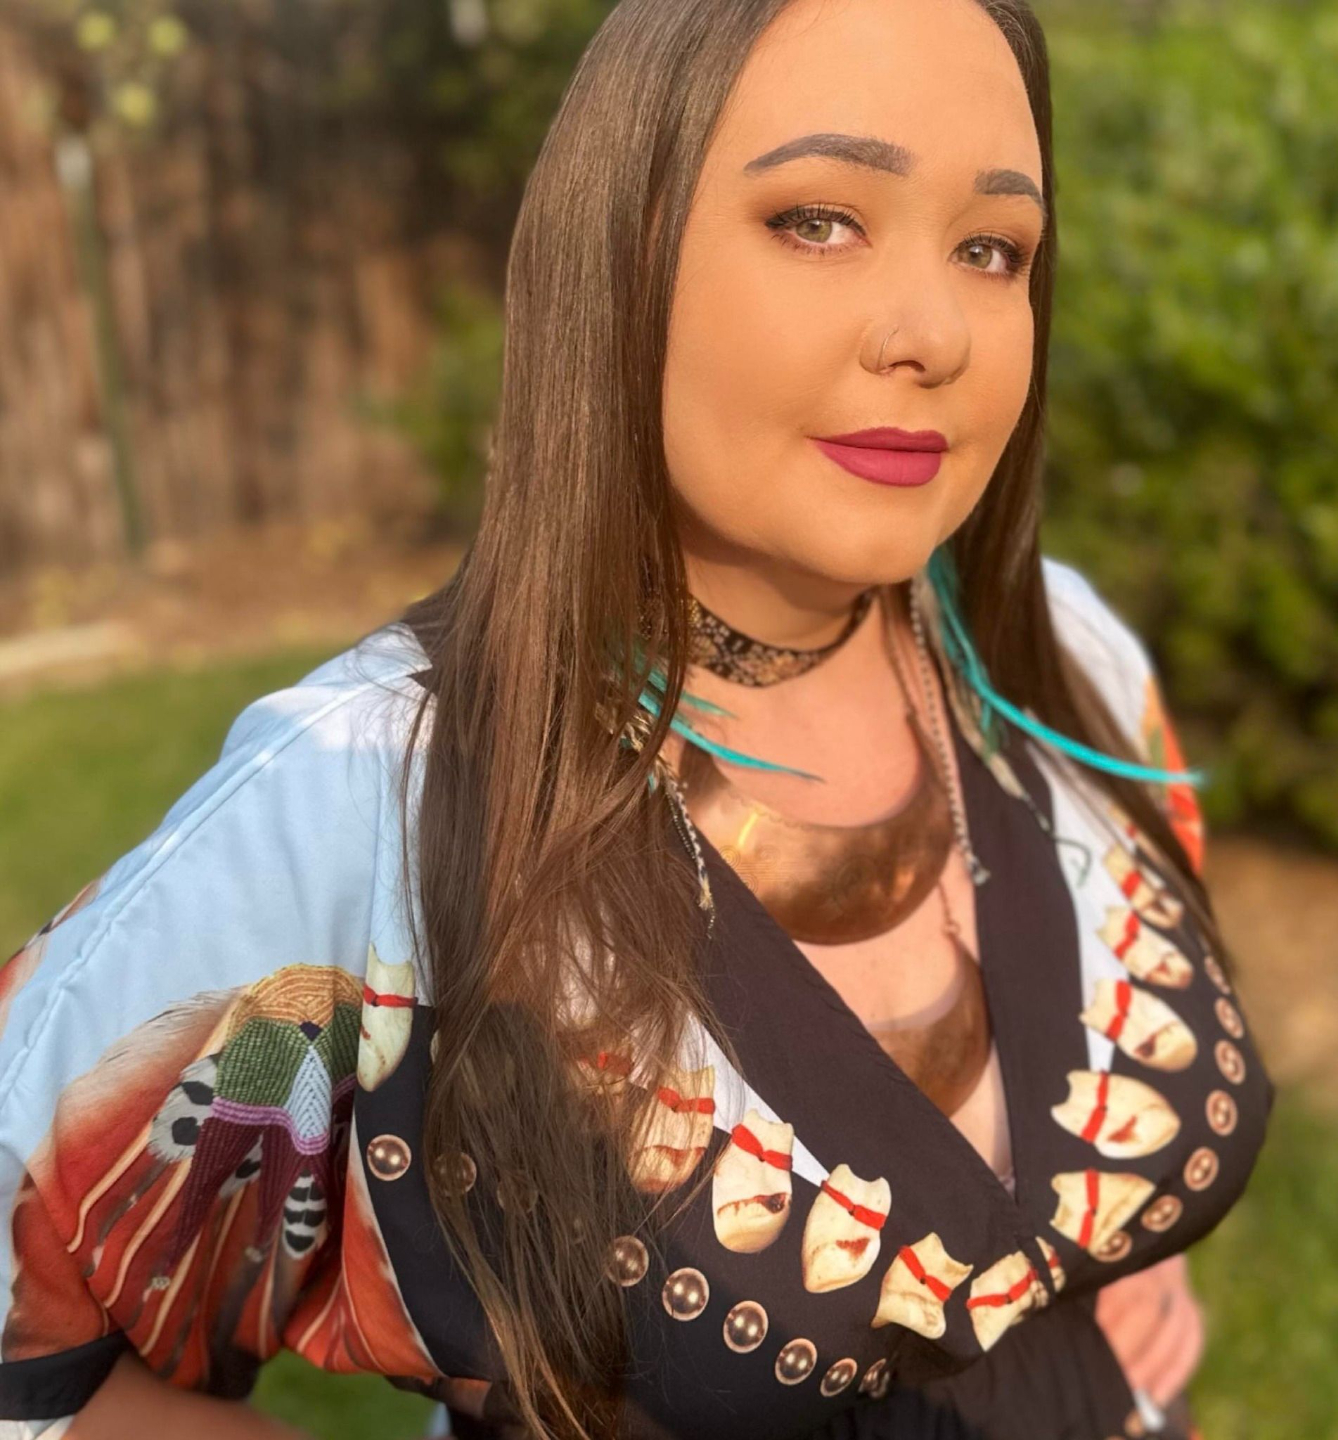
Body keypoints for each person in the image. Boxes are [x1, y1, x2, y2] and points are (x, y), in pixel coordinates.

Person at [0, 0, 1274, 1437]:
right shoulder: (375, 797)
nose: (935, 334)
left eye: (993, 249)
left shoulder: (1061, 659)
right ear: (619, 255)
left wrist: (1100, 1265)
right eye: (818, 221)